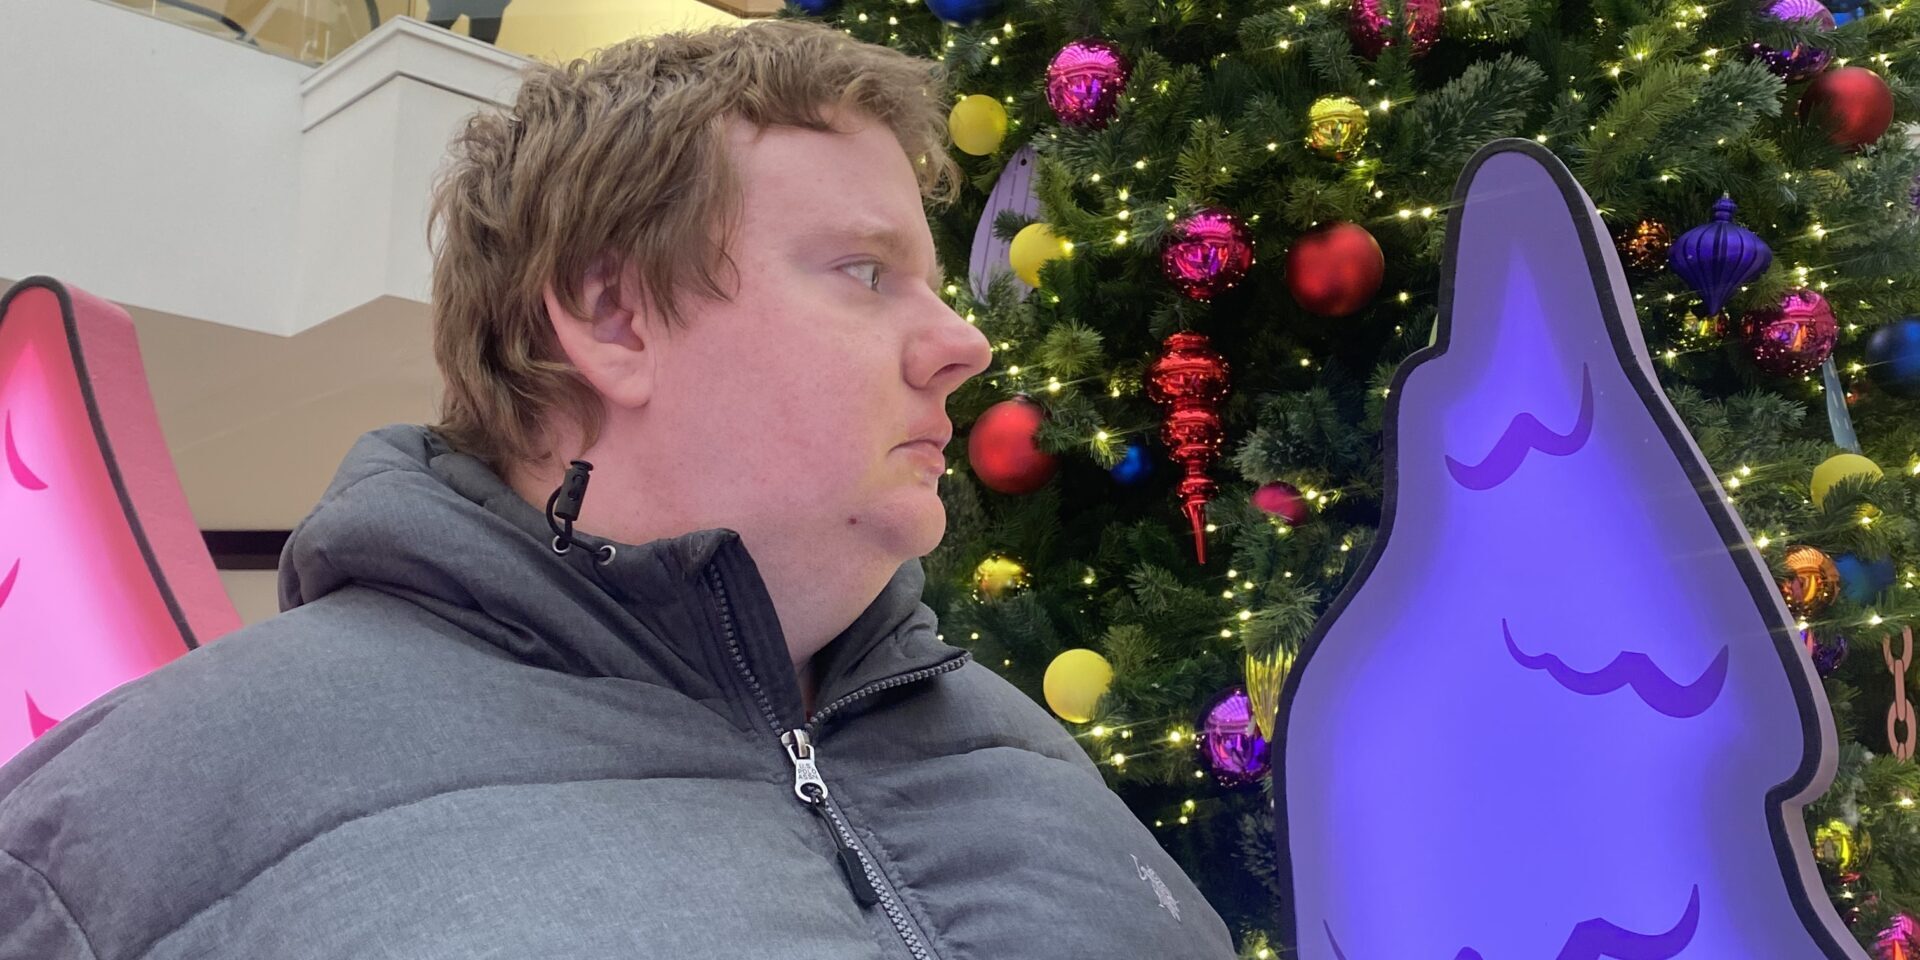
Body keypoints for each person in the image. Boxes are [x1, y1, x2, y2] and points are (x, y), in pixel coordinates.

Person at [0, 20, 1236, 958]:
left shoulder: (1027, 753)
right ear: (613, 316)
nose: (964, 346)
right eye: (865, 272)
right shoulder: (126, 823)